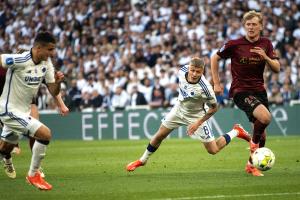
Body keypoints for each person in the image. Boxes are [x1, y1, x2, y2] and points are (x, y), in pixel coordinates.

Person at [126, 57, 250, 172]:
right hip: (179, 109)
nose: (194, 74)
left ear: (202, 72)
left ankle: (236, 131)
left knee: (213, 150)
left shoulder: (205, 89)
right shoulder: (182, 70)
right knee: (159, 136)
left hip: (196, 116)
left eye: (198, 72)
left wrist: (197, 123)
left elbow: (214, 108)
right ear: (188, 68)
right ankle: (142, 160)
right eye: (193, 70)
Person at [210, 11, 280, 176]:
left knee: (262, 135)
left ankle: (250, 164)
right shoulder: (235, 44)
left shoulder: (266, 44)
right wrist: (217, 83)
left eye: (254, 24)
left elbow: (276, 68)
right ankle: (253, 146)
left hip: (259, 91)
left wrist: (266, 57)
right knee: (265, 118)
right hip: (240, 90)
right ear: (244, 26)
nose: (251, 27)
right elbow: (215, 58)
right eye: (248, 24)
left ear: (261, 26)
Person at [0, 31, 64, 190]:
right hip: (8, 110)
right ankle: (33, 174)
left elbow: (53, 91)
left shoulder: (47, 64)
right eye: (50, 49)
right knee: (45, 133)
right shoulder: (20, 59)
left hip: (23, 111)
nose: (53, 53)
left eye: (53, 49)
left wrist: (58, 82)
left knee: (5, 149)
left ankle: (6, 158)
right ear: (38, 48)